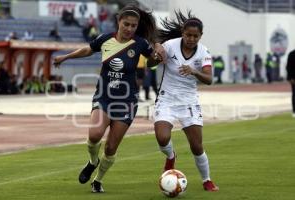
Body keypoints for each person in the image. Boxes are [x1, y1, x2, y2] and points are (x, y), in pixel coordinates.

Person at [53, 5, 164, 193]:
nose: (129, 28)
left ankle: (98, 180)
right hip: (104, 96)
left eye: (133, 26)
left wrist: (157, 57)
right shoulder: (105, 39)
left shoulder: (140, 43)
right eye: (126, 24)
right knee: (94, 134)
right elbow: (87, 50)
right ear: (118, 22)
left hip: (127, 102)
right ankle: (92, 161)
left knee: (111, 147)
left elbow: (152, 63)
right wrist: (65, 57)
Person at [153, 11, 219, 192]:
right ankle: (171, 156)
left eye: (195, 36)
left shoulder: (203, 52)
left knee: (197, 146)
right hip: (167, 98)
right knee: (162, 137)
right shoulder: (170, 45)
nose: (191, 39)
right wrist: (157, 51)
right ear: (182, 32)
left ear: (200, 36)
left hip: (189, 101)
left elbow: (209, 79)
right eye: (188, 35)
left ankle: (207, 180)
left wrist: (194, 71)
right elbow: (153, 62)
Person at [286, 49, 295, 117]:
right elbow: (288, 67)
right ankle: (294, 111)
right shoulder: (292, 54)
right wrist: (290, 78)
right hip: (294, 78)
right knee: (294, 94)